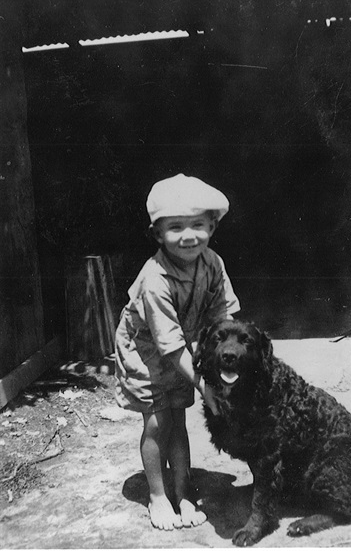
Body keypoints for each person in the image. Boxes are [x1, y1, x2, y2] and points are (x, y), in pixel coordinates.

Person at [115, 173, 240, 530]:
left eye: (198, 225)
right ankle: (157, 495)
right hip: (146, 350)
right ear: (158, 233)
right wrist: (206, 387)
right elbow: (167, 346)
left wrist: (222, 373)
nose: (189, 236)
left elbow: (221, 321)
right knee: (158, 420)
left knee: (179, 417)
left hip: (182, 344)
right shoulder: (155, 279)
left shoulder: (212, 264)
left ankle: (183, 491)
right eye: (176, 227)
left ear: (212, 226)